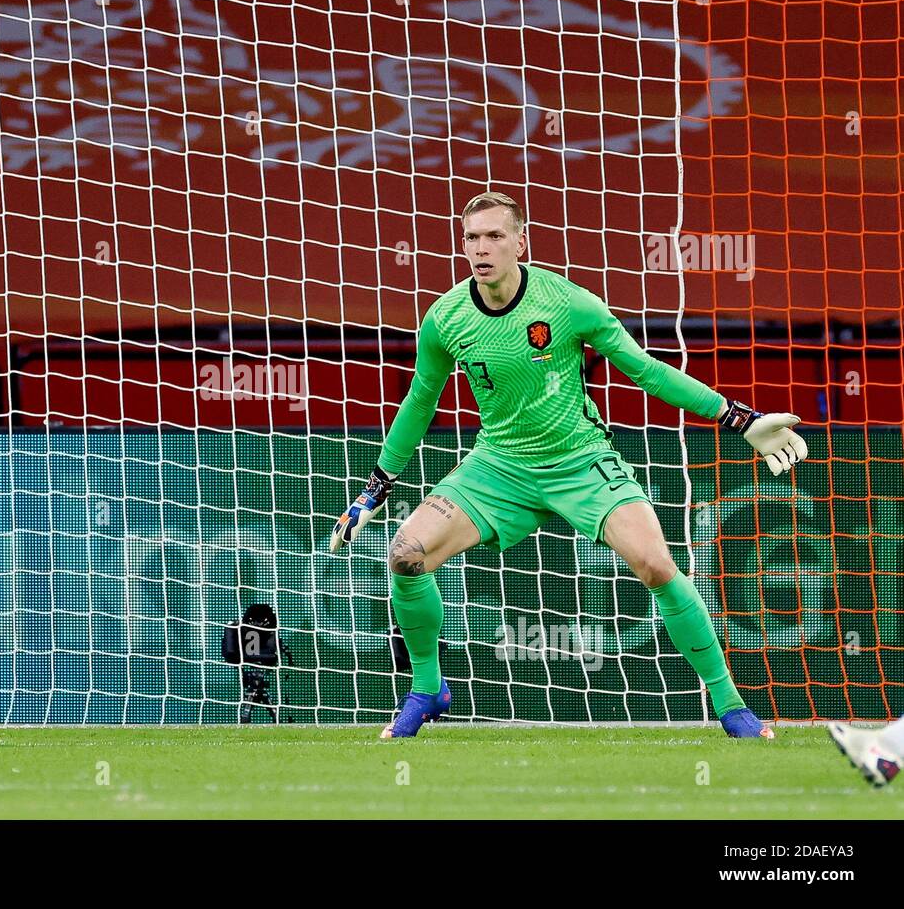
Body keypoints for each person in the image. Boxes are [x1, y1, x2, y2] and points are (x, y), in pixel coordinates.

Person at [330, 191, 807, 739]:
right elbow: (420, 400)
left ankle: (731, 706)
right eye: (471, 238)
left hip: (582, 462)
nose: (481, 249)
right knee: (405, 556)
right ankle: (427, 689)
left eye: (494, 236)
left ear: (520, 243)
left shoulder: (568, 303)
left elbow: (648, 371)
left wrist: (740, 420)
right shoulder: (446, 318)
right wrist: (376, 486)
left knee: (656, 566)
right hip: (499, 467)